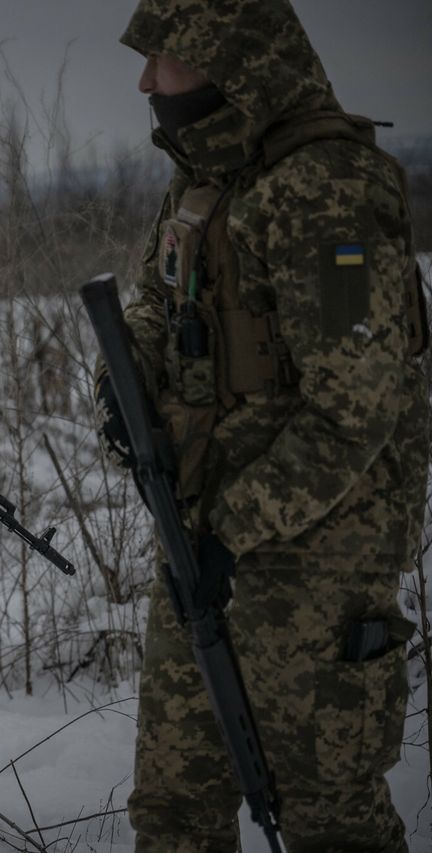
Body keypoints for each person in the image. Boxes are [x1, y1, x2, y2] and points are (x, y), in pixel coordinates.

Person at [99, 1, 429, 850]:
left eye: (164, 59)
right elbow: (153, 301)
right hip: (201, 535)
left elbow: (357, 409)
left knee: (330, 819)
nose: (146, 81)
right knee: (172, 808)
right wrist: (122, 375)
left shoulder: (327, 188)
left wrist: (233, 532)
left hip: (313, 564)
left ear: (229, 62)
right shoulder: (205, 178)